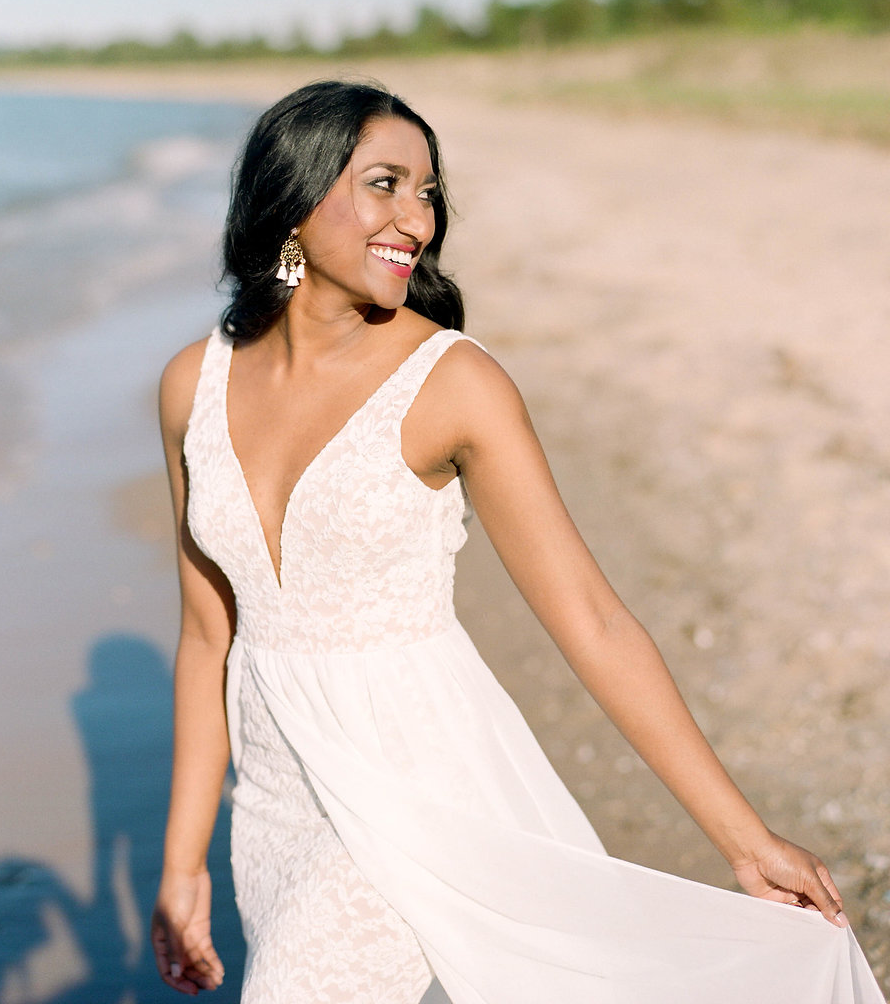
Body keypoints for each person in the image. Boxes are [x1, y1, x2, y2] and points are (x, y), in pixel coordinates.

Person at [150, 80, 883, 1002]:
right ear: (294, 197)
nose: (414, 220)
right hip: (276, 798)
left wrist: (745, 840)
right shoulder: (192, 386)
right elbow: (209, 636)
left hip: (422, 778)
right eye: (386, 184)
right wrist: (186, 863)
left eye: (427, 192)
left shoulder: (454, 384)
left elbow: (592, 620)